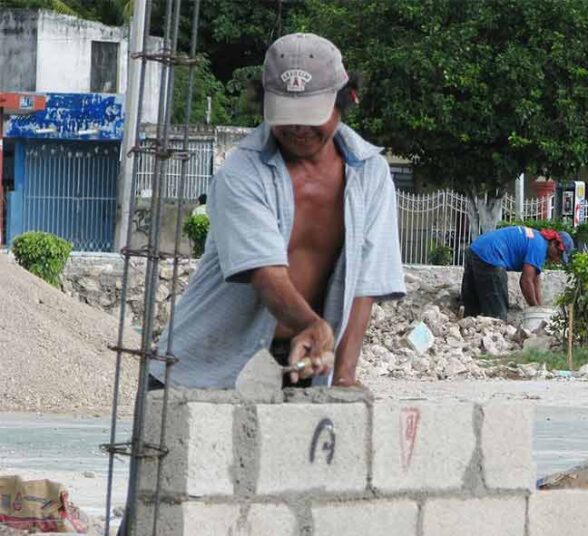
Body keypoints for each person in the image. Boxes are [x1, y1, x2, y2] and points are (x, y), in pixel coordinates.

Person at [149, 33, 405, 389]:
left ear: (345, 100)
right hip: (202, 371)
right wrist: (311, 325)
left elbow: (367, 280)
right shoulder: (240, 173)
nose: (298, 128)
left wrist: (344, 375)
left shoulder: (370, 174)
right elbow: (265, 274)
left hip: (302, 365)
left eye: (310, 116)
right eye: (287, 116)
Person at [460, 225, 574, 320]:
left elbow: (535, 280)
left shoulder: (538, 240)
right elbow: (526, 281)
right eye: (558, 254)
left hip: (475, 249)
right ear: (553, 243)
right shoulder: (540, 247)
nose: (557, 259)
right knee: (497, 314)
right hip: (489, 256)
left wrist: (540, 307)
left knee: (472, 311)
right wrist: (535, 310)